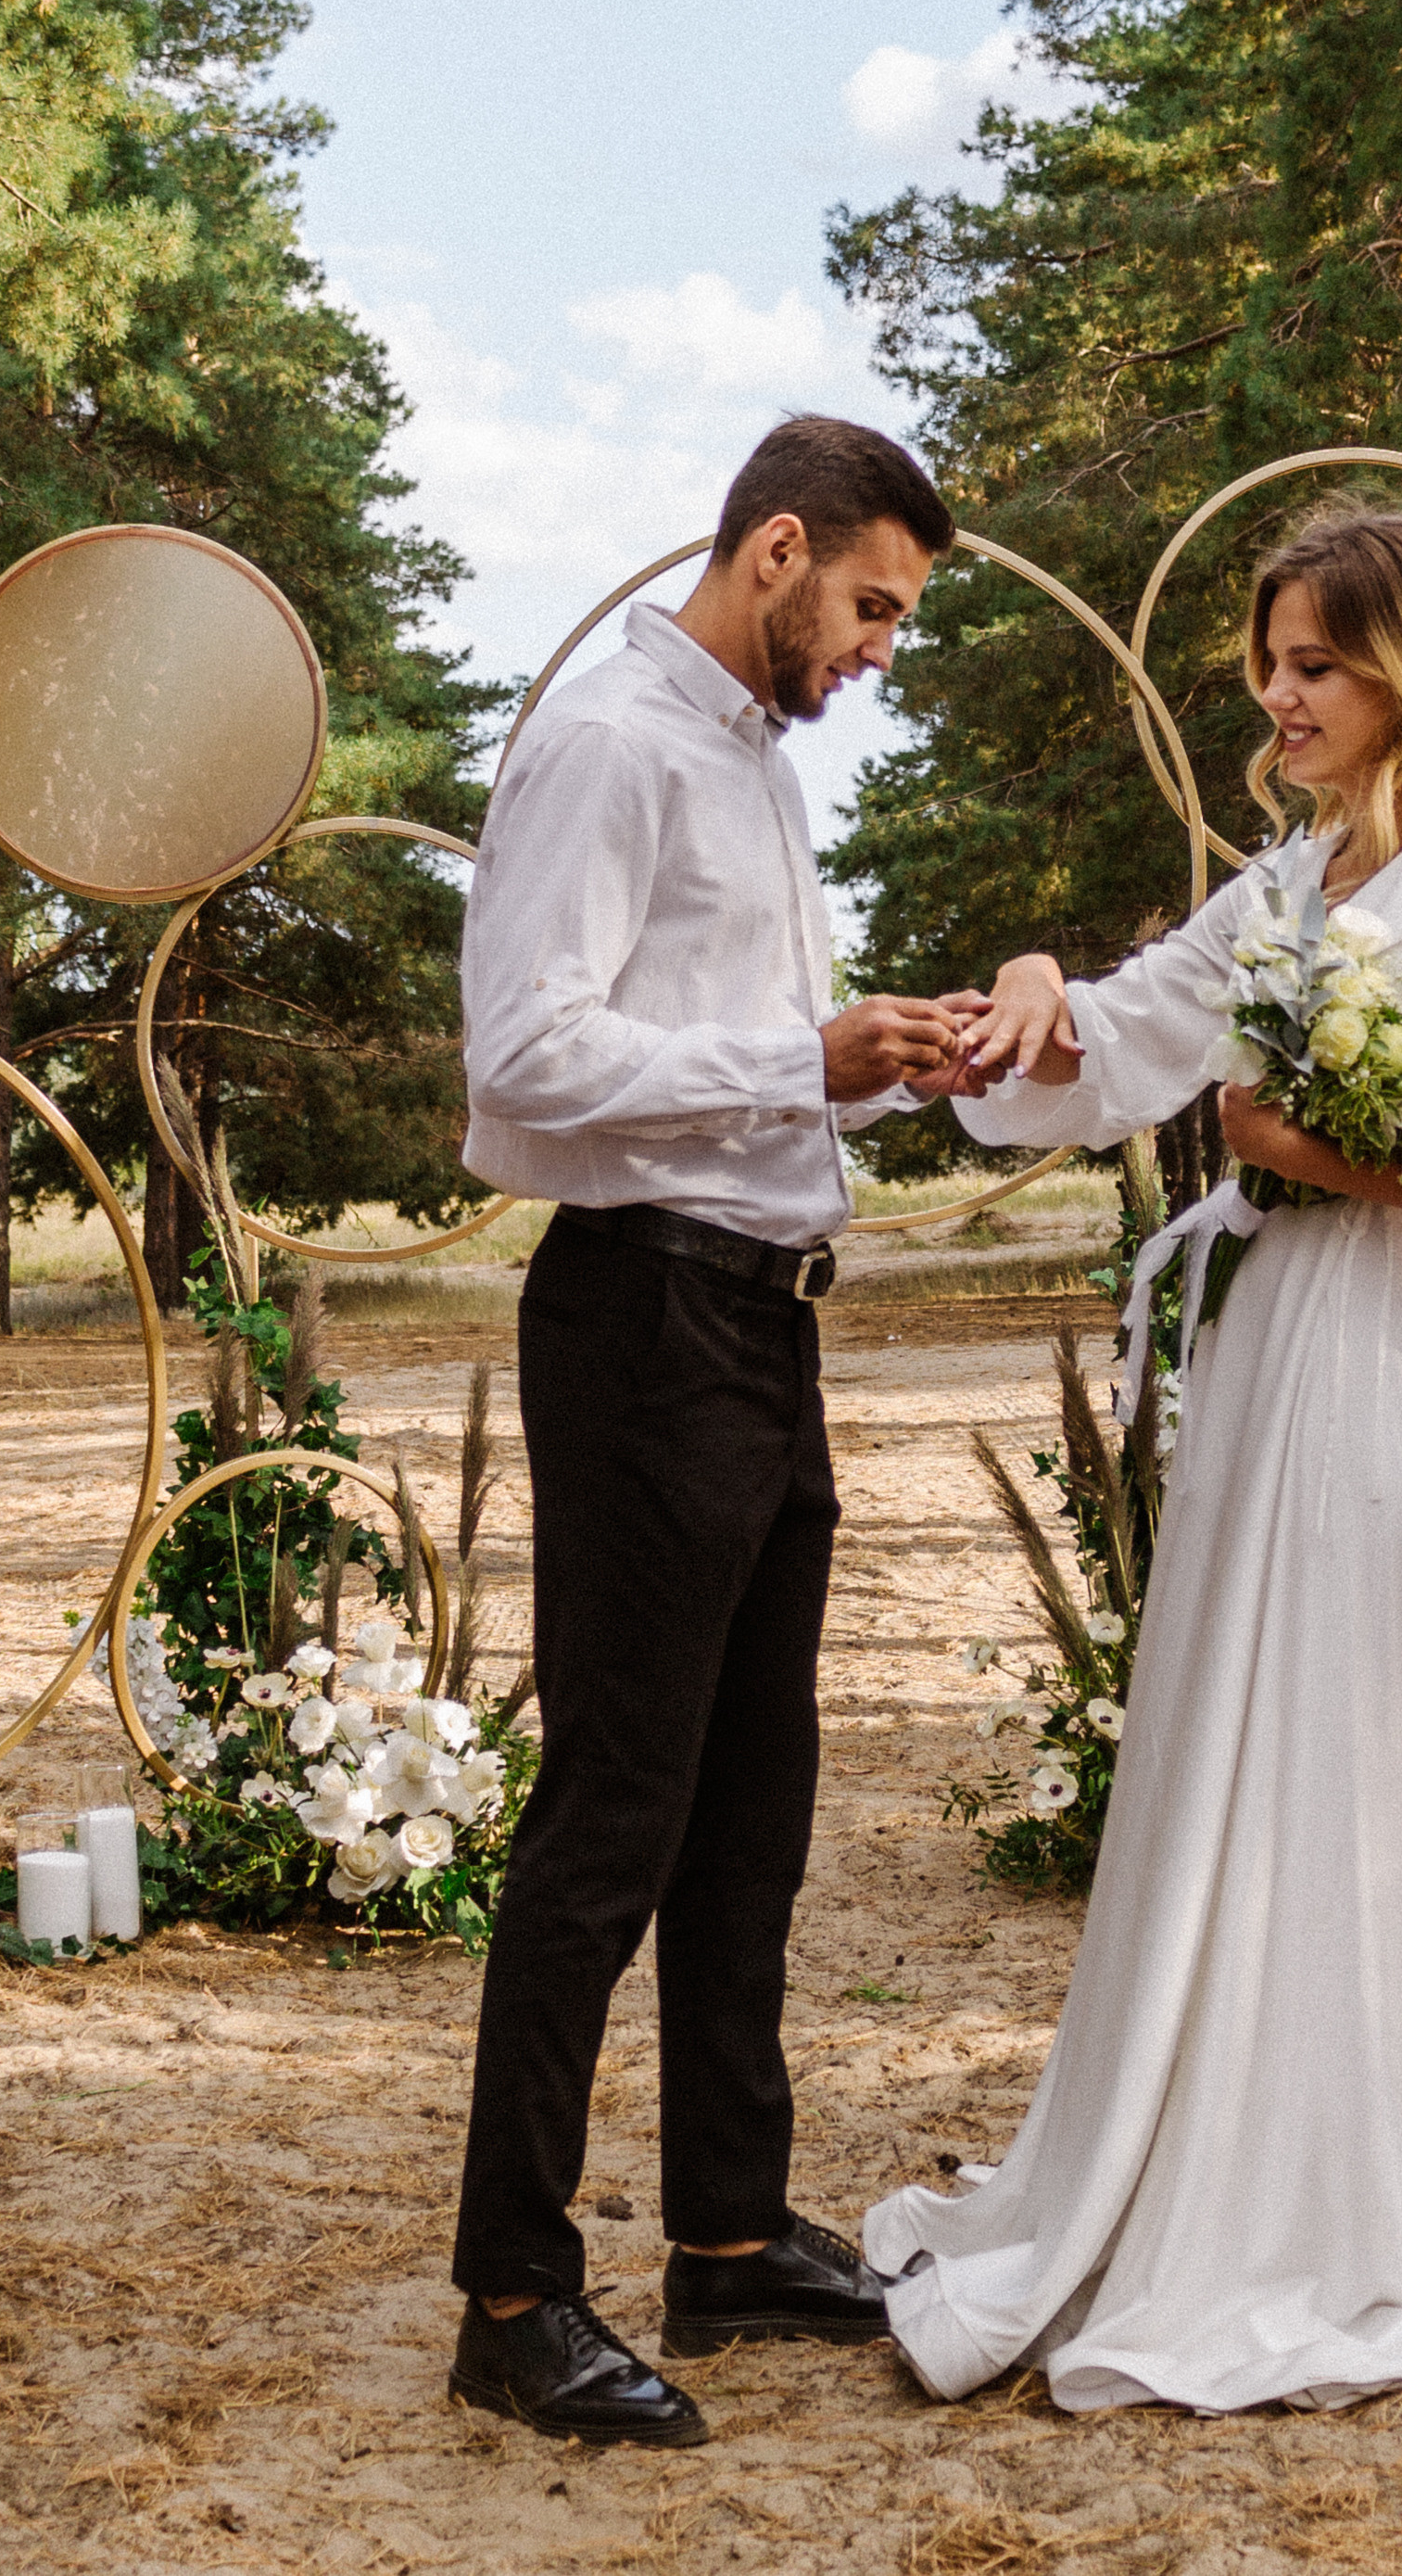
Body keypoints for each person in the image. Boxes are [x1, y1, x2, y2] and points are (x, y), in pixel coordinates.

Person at [865, 500, 1402, 2414]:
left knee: (1358, 1746)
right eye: (1270, 666)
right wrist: (1030, 995)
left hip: (1375, 1359)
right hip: (1272, 1348)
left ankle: (1341, 2202)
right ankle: (1192, 2148)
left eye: (1315, 665)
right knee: (1233, 1733)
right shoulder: (1291, 877)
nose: (1280, 698)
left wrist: (1288, 1150)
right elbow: (1136, 1024)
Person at [448, 414, 980, 2447]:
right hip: (643, 1323)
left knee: (752, 1808)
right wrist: (795, 1052)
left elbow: (719, 1063)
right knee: (612, 1821)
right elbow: (521, 1063)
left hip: (765, 1327)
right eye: (867, 607)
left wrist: (861, 1066)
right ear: (773, 549)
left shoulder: (749, 763)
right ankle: (510, 2294)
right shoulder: (610, 740)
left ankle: (730, 2242)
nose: (872, 651)